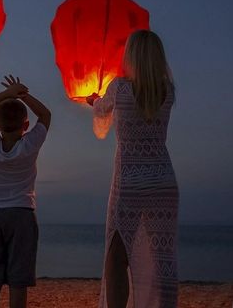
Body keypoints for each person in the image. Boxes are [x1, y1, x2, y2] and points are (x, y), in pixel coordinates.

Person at [86, 30, 179, 308]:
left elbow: (102, 112)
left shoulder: (120, 88)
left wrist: (94, 101)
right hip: (163, 180)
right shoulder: (168, 92)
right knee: (162, 258)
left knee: (117, 256)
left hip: (129, 181)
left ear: (132, 56)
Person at [0, 75, 51, 308]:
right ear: (26, 126)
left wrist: (7, 94)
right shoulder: (29, 145)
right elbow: (46, 115)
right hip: (22, 214)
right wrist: (23, 95)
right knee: (18, 282)